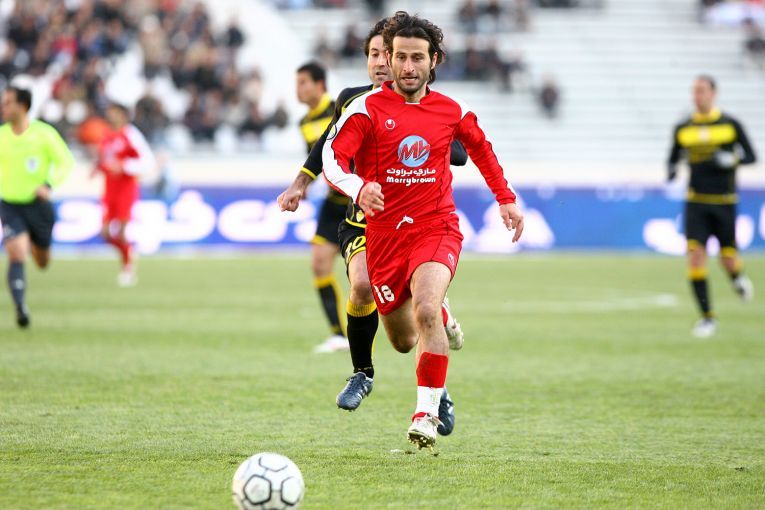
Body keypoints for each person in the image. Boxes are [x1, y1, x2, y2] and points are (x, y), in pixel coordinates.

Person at [322, 11, 524, 449]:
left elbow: (481, 149)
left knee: (426, 309)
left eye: (417, 58)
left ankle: (425, 415)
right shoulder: (366, 109)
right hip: (384, 238)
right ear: (389, 59)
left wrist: (505, 198)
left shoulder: (452, 110)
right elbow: (332, 159)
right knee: (402, 339)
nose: (408, 66)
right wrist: (359, 188)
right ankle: (443, 320)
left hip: (436, 228)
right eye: (400, 57)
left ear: (435, 60)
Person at [278, 18, 468, 437]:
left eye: (389, 54)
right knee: (364, 290)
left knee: (412, 328)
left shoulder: (423, 103)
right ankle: (362, 372)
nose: (383, 62)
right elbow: (326, 147)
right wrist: (299, 185)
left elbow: (459, 152)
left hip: (410, 224)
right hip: (359, 221)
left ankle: (437, 391)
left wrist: (420, 136)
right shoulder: (353, 102)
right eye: (376, 54)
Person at [667, 75, 756, 338]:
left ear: (714, 94)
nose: (698, 96)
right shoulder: (683, 128)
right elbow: (672, 157)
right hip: (696, 202)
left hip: (724, 202)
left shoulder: (730, 125)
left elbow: (751, 156)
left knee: (727, 259)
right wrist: (671, 170)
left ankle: (737, 278)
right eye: (695, 91)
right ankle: (707, 318)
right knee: (695, 255)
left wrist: (732, 159)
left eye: (702, 91)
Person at [0, 86, 74, 327]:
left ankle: (34, 243)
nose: (3, 107)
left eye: (8, 102)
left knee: (42, 262)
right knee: (16, 253)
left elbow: (65, 162)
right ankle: (20, 308)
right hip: (10, 205)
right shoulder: (2, 136)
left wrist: (49, 184)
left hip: (39, 206)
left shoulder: (44, 134)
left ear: (22, 106)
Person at [294, 61, 350, 353]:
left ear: (320, 84)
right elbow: (315, 160)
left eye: (303, 82)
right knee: (319, 264)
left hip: (358, 201)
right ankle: (338, 335)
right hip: (332, 202)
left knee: (369, 275)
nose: (298, 89)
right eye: (297, 83)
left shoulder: (341, 109)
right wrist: (303, 186)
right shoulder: (304, 123)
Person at [94, 103, 155, 286]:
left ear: (122, 115)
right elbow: (105, 159)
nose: (110, 115)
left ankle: (127, 267)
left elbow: (147, 161)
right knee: (105, 232)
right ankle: (128, 252)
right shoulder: (106, 135)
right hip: (109, 189)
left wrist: (124, 166)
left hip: (125, 189)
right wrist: (97, 168)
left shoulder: (131, 134)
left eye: (114, 112)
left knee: (121, 231)